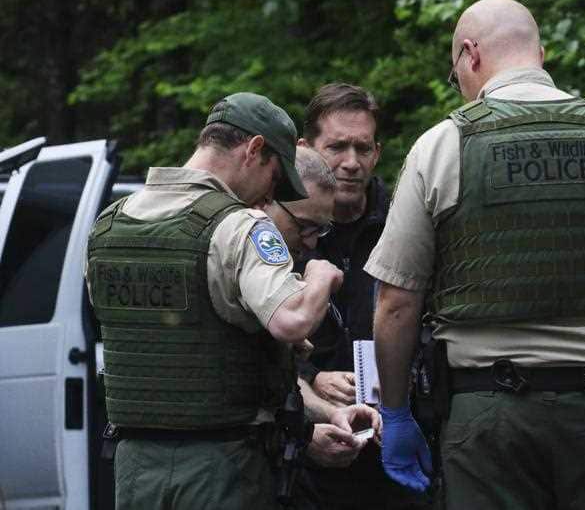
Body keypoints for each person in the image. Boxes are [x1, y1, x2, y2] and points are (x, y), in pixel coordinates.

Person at [366, 0, 585, 509]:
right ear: (540, 54)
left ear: (470, 55)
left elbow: (396, 303)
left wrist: (396, 414)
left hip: (487, 419)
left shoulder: (439, 147)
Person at [85, 92, 379, 510]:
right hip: (220, 466)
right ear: (254, 150)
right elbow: (292, 320)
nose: (266, 197)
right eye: (275, 180)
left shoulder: (111, 223)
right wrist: (318, 277)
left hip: (133, 465)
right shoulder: (238, 225)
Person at [292, 84, 429, 509]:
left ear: (377, 152)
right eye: (337, 147)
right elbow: (256, 336)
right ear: (306, 148)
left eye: (363, 148)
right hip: (314, 453)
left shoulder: (408, 221)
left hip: (400, 442)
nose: (351, 163)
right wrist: (312, 375)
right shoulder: (280, 228)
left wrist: (404, 386)